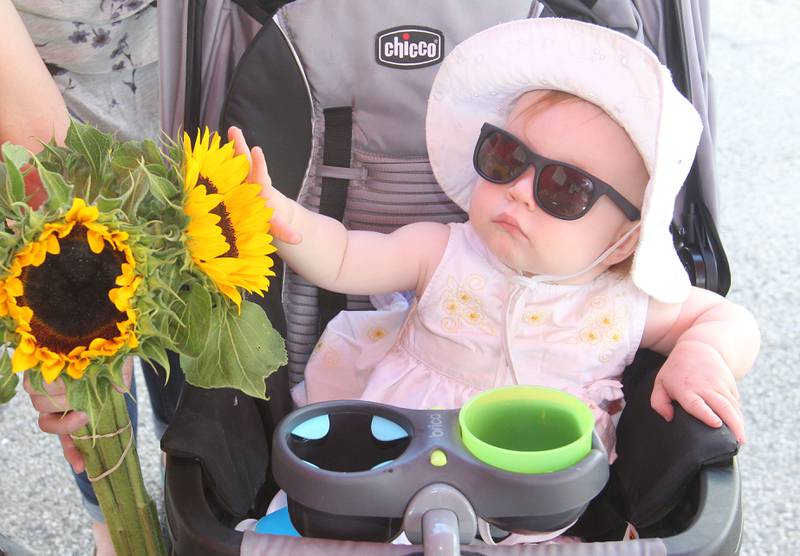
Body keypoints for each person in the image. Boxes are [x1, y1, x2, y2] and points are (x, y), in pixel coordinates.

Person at [231, 17, 760, 544]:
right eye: (507, 158)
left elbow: (724, 317)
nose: (521, 191)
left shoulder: (620, 303)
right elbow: (345, 256)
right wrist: (283, 216)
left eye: (566, 188)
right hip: (393, 475)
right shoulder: (443, 251)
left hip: (537, 508)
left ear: (623, 241)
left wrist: (702, 356)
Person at [3, 1, 184, 554]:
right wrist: (55, 297)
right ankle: (112, 524)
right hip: (42, 108)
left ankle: (188, 485)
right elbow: (34, 140)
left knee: (193, 339)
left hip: (194, 74)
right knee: (85, 395)